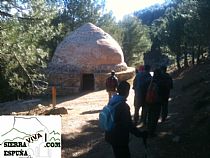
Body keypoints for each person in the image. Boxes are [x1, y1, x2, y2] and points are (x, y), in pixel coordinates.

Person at [105, 81, 148, 158]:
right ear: (127, 92)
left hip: (110, 134)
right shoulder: (124, 106)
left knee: (117, 154)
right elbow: (128, 125)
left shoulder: (112, 101)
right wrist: (140, 134)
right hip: (119, 138)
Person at [147, 68, 162, 137]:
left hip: (149, 101)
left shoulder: (151, 80)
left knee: (150, 115)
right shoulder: (158, 82)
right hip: (156, 102)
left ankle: (149, 129)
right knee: (155, 116)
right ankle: (151, 132)